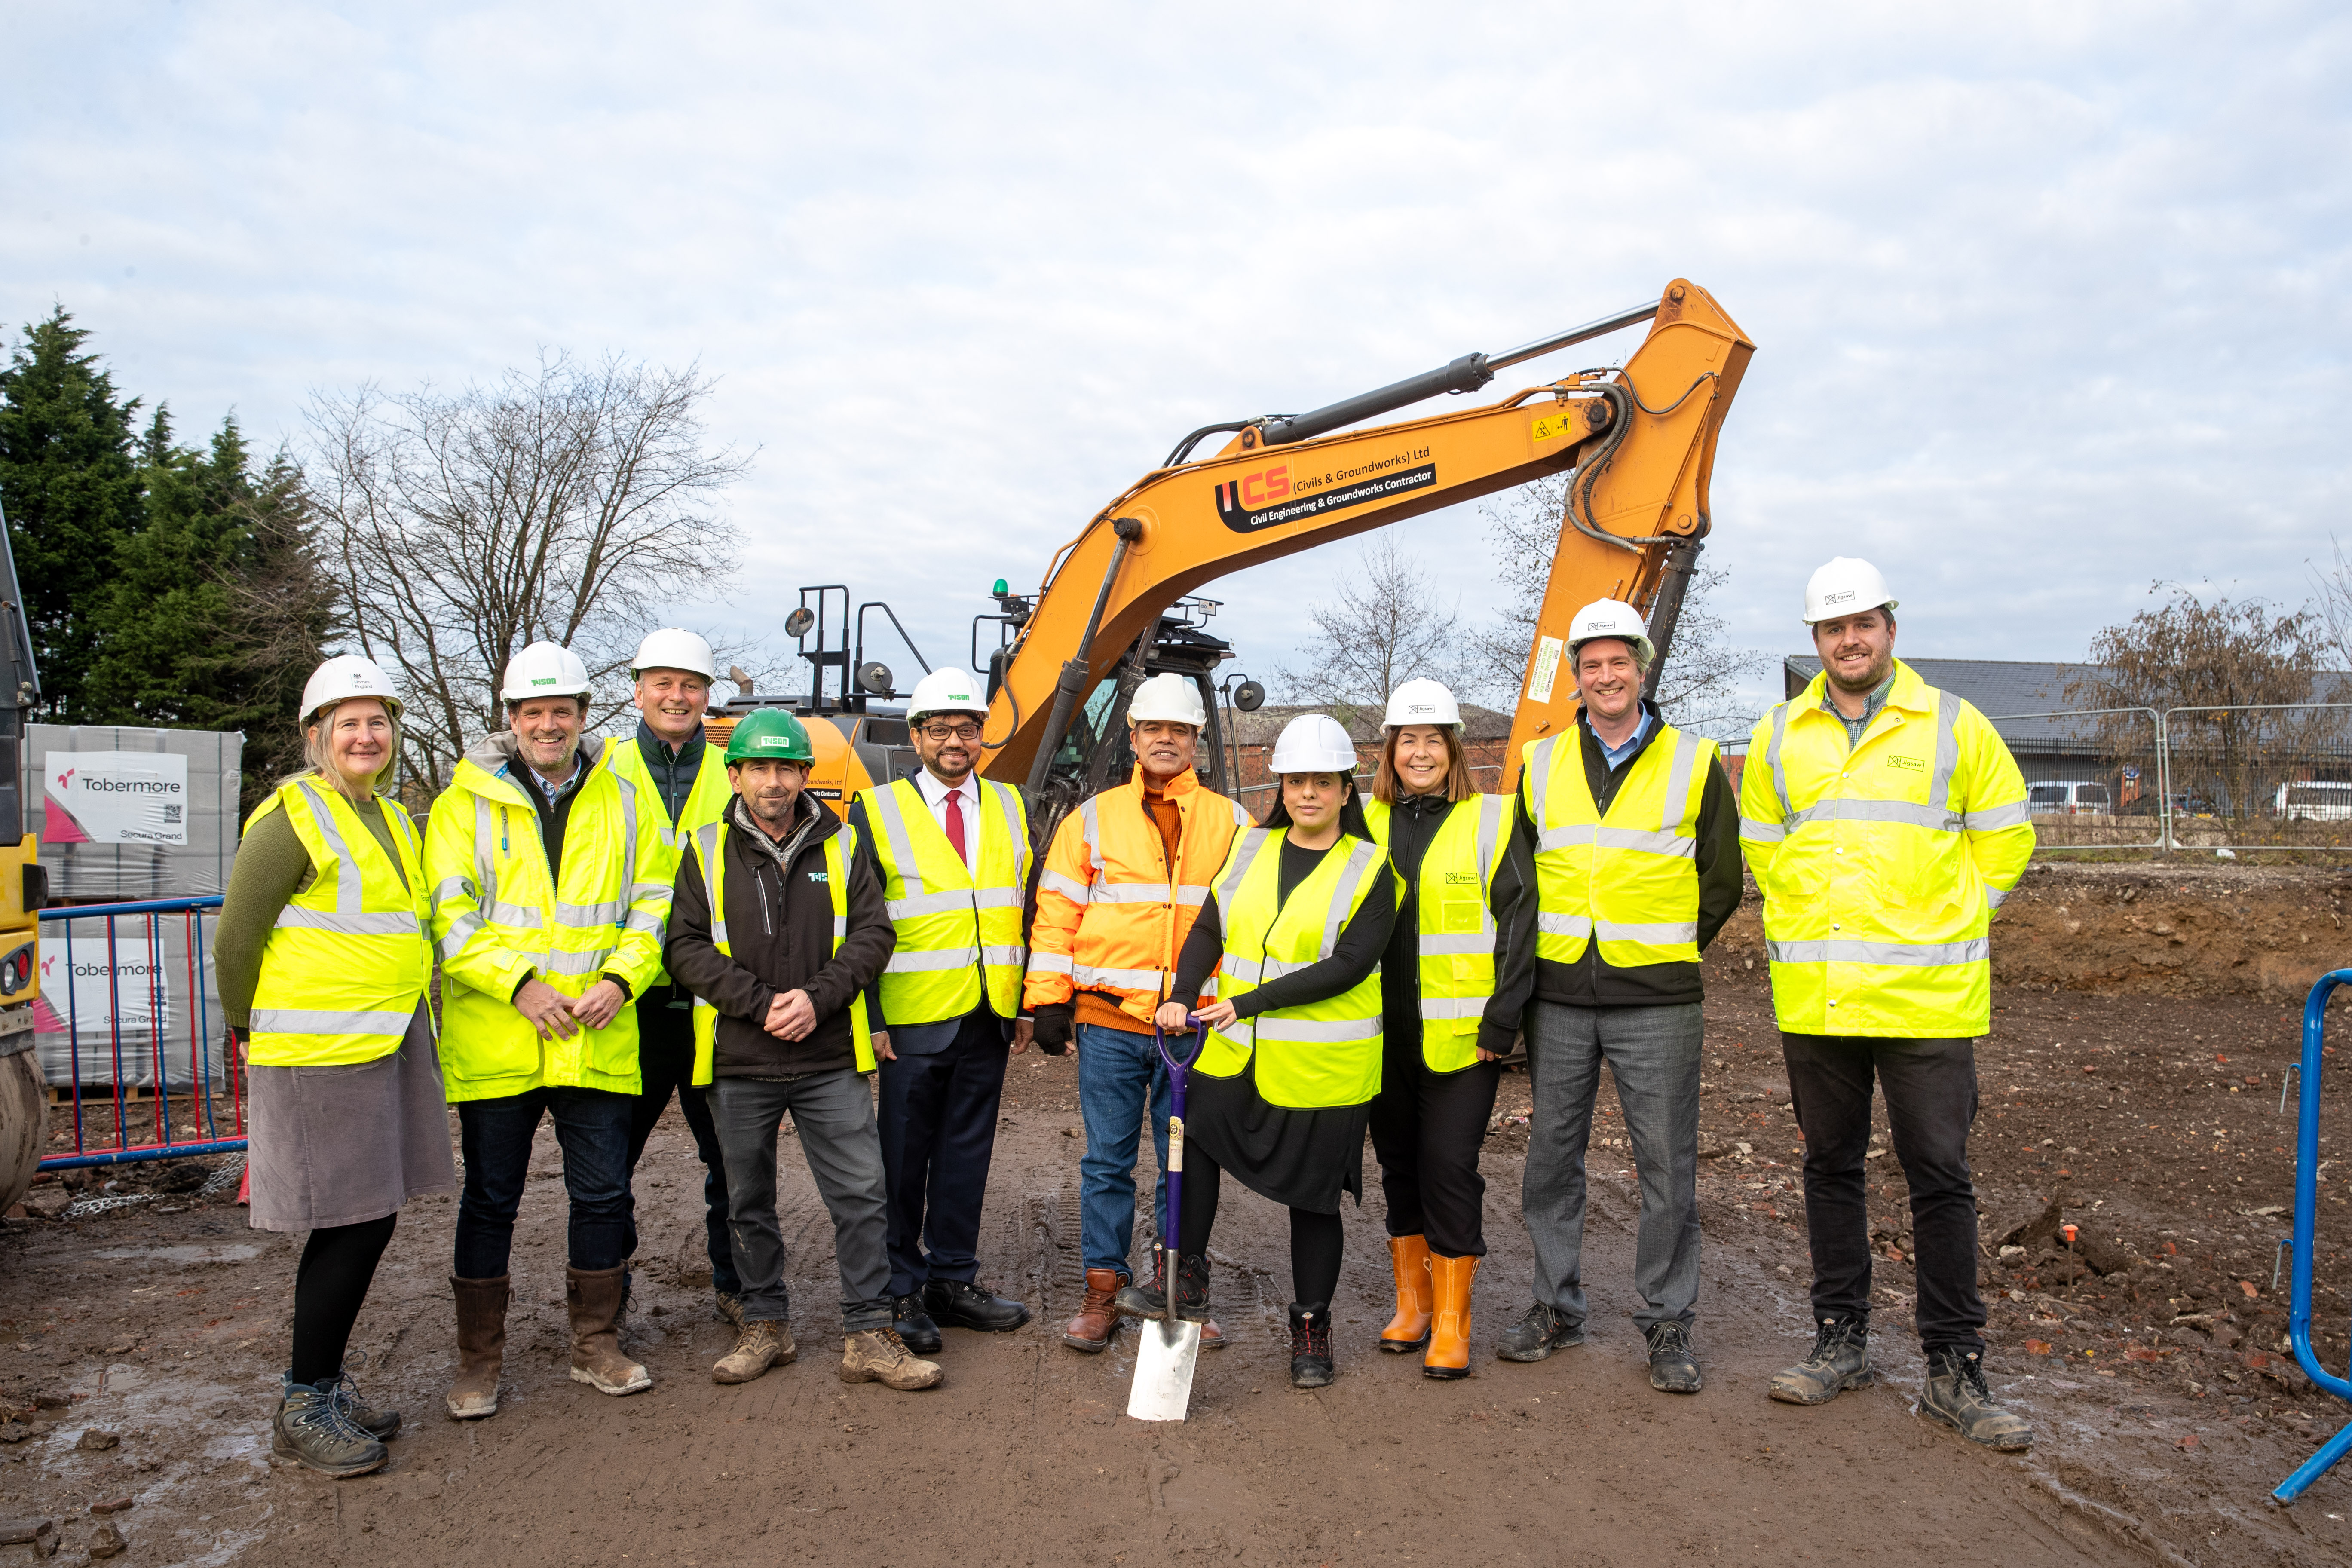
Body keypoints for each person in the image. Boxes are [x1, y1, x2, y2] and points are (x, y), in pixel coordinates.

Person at [1740, 557, 2036, 1450]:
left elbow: (2007, 837)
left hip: (1927, 998)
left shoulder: (1953, 724)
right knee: (1830, 1167)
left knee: (1939, 1175)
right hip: (1821, 997)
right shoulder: (1780, 734)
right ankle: (1841, 1341)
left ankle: (1954, 1366)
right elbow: (1765, 846)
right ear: (1816, 640)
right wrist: (1807, 921)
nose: (1850, 640)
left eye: (1863, 623)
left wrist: (1956, 917)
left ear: (1890, 630)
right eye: (1834, 628)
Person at [216, 655, 453, 1477]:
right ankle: (302, 1405)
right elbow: (237, 937)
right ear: (316, 735)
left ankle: (319, 1385)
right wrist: (246, 1030)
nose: (365, 736)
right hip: (319, 1051)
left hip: (383, 1040)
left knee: (372, 1217)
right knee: (350, 1222)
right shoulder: (292, 817)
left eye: (377, 722)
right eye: (347, 723)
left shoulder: (390, 817)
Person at [664, 710, 942, 1391]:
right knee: (746, 1197)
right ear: (735, 775)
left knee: (862, 1194)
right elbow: (684, 948)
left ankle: (868, 1334)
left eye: (786, 768)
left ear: (804, 775)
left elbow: (874, 936)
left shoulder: (842, 845)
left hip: (828, 1056)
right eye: (759, 768)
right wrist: (761, 1005)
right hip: (740, 1055)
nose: (774, 781)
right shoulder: (704, 849)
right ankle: (766, 1325)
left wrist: (817, 1000)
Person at [426, 641, 670, 1417]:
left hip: (595, 1031)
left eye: (561, 711)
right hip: (501, 1035)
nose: (548, 725)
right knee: (490, 1199)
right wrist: (519, 986)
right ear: (511, 718)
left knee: (602, 1195)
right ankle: (479, 1362)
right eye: (533, 713)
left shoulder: (625, 798)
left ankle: (595, 1344)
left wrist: (620, 980)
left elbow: (655, 902)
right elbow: (450, 916)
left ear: (583, 715)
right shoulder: (462, 804)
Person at [1504, 598, 1741, 1394]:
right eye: (1592, 664)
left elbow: (1722, 880)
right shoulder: (1541, 763)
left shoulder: (1695, 762)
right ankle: (1556, 1306)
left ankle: (1668, 1321)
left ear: (1642, 669)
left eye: (1619, 662)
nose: (1606, 676)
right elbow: (1521, 877)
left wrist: (1667, 949)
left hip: (1659, 1000)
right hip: (1559, 995)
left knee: (1667, 1166)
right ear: (1576, 677)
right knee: (1551, 1160)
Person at [1145, 713, 1400, 1390]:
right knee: (1195, 1140)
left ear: (1346, 790)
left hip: (1322, 1068)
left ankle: (1311, 1324)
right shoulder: (1250, 848)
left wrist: (1248, 1002)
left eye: (1323, 782)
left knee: (1314, 1200)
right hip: (1236, 1055)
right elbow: (1210, 926)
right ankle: (1186, 1276)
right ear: (1280, 788)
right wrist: (1183, 992)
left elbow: (1349, 965)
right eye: (1295, 782)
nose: (1308, 794)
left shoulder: (1372, 867)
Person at [1026, 672, 1251, 1355]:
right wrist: (1048, 1000)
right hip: (1109, 1023)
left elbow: (1252, 923)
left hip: (1195, 1028)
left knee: (1185, 1166)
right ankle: (1104, 1290)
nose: (1166, 740)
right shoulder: (1092, 819)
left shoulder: (1233, 823)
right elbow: (1057, 912)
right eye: (1154, 728)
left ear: (1196, 740)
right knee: (1107, 1164)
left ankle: (1177, 1289)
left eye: (1179, 730)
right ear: (1133, 737)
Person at [847, 668, 1035, 1355]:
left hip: (988, 1012)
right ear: (917, 736)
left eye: (968, 729)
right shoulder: (876, 810)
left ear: (982, 735)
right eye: (940, 729)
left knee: (966, 1155)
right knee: (900, 1162)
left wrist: (1026, 1003)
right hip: (910, 1019)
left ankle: (952, 1280)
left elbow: (1022, 906)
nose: (955, 741)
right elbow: (855, 923)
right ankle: (900, 1288)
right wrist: (870, 1017)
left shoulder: (1011, 803)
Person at [1360, 678, 1537, 1378]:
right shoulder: (1362, 821)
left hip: (1465, 1040)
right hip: (1380, 1036)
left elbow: (1520, 923)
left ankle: (1454, 1321)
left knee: (1449, 1169)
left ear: (1454, 749)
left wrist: (1503, 1020)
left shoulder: (1492, 819)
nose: (1421, 753)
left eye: (1434, 740)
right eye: (1408, 740)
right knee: (1398, 1167)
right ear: (1390, 750)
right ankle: (1414, 1304)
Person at [605, 628, 741, 1326]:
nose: (677, 696)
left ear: (707, 697)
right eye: (663, 683)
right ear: (638, 692)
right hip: (625, 1001)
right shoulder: (603, 769)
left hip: (713, 1000)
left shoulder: (733, 772)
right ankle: (608, 1293)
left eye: (690, 685)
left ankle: (738, 1287)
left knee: (732, 1159)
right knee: (608, 1165)